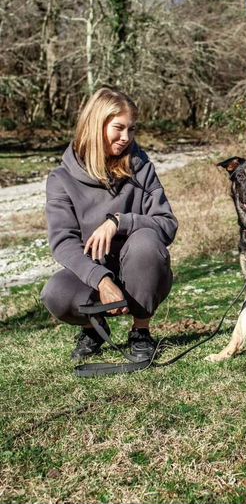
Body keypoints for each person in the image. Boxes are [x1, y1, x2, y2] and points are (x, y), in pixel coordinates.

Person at [41, 87, 178, 362]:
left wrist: (120, 222)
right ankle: (93, 327)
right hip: (93, 271)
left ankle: (141, 331)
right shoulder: (61, 179)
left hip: (141, 268)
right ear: (95, 125)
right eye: (118, 128)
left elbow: (167, 224)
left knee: (146, 241)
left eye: (131, 129)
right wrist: (101, 279)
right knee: (54, 294)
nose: (126, 137)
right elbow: (63, 243)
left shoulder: (141, 167)